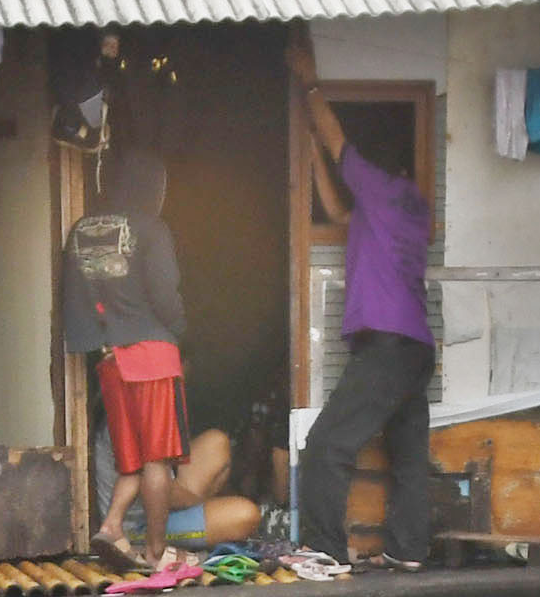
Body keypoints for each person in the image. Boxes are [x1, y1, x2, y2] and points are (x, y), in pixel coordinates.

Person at [290, 36, 439, 569]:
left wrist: (309, 83)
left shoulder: (378, 188)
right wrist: (311, 155)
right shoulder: (408, 207)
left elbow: (338, 140)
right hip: (416, 347)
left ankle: (325, 550)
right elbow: (337, 210)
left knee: (327, 446)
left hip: (386, 344)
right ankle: (408, 551)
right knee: (408, 458)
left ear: (375, 166)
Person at [57, 146, 187, 566]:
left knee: (130, 459)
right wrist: (181, 329)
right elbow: (165, 295)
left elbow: (75, 295)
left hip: (109, 357)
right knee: (157, 460)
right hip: (151, 354)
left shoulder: (81, 229)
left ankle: (111, 527)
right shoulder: (152, 228)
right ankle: (155, 551)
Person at [140, 427, 266, 551]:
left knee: (216, 440)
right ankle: (203, 522)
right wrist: (207, 506)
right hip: (145, 527)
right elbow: (162, 494)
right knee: (246, 515)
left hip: (166, 503)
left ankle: (204, 518)